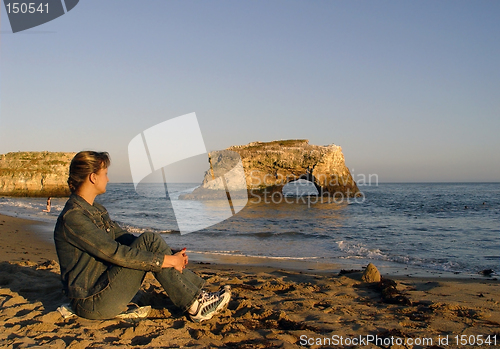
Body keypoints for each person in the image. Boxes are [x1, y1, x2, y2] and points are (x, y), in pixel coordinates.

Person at [54, 151, 230, 321]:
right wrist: (167, 260)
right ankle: (196, 306)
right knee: (149, 242)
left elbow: (126, 239)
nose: (108, 179)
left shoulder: (97, 211)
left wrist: (169, 254)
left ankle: (198, 296)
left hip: (104, 286)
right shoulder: (74, 218)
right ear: (93, 177)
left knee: (149, 240)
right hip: (91, 301)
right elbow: (116, 253)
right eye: (105, 173)